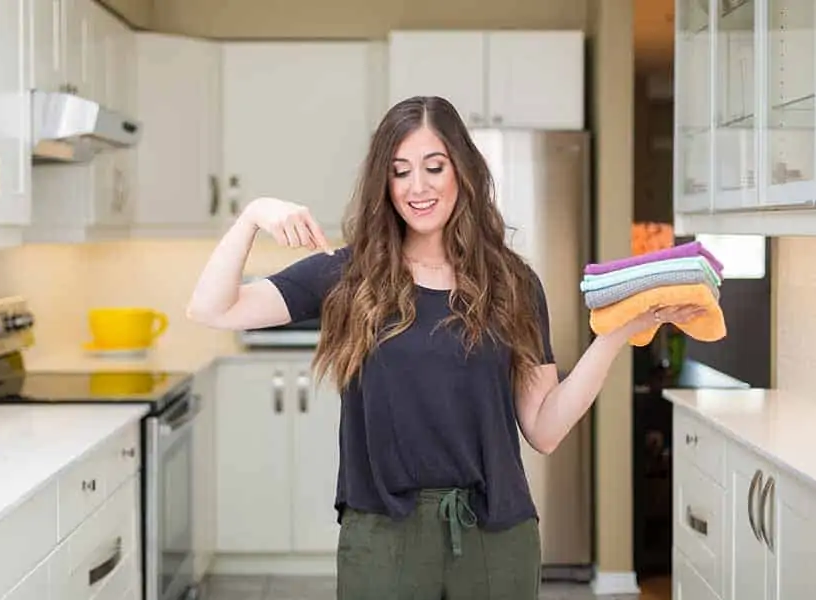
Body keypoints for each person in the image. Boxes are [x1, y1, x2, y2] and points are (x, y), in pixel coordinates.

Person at [186, 95, 704, 600]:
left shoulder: (513, 282)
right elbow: (211, 308)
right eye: (400, 170)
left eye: (434, 166)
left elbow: (544, 430)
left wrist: (614, 335)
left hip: (495, 537)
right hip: (382, 537)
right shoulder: (348, 273)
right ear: (383, 183)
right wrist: (252, 215)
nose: (418, 186)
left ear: (461, 170)